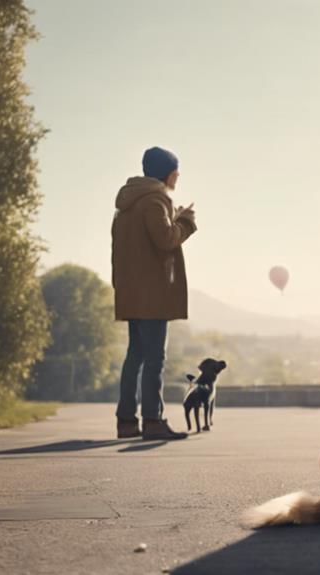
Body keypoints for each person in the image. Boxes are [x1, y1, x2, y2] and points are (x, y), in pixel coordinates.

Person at [111, 147, 197, 440]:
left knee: (134, 355)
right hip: (153, 294)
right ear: (169, 173)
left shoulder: (127, 203)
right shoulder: (155, 200)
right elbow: (165, 240)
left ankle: (126, 421)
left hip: (131, 291)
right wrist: (184, 221)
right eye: (176, 171)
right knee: (154, 359)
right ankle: (152, 420)